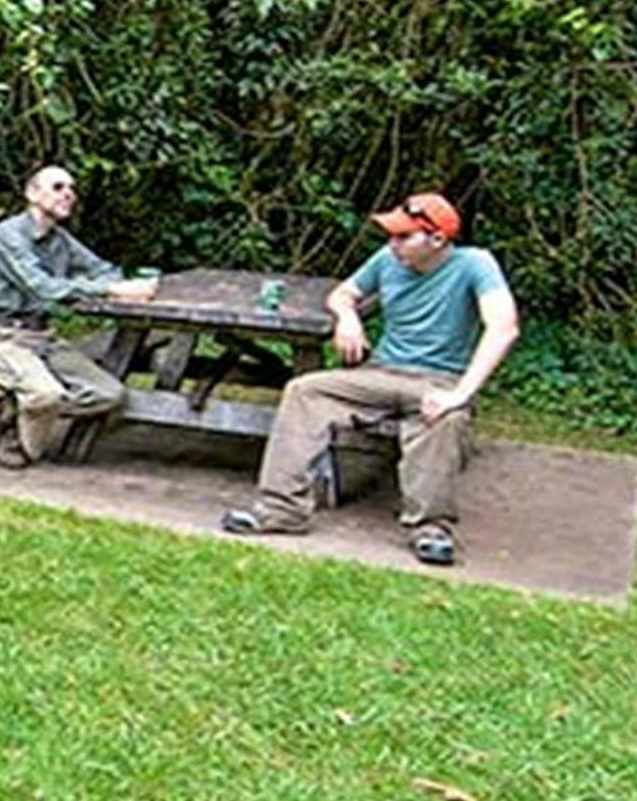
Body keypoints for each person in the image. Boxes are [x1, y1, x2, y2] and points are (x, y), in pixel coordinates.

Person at [221, 192, 519, 565]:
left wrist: (460, 393)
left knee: (446, 418)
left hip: (438, 380)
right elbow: (343, 293)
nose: (393, 244)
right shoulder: (387, 259)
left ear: (438, 239)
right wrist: (348, 316)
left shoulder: (475, 264)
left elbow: (503, 328)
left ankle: (431, 528)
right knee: (305, 391)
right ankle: (282, 509)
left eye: (404, 236)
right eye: (391, 235)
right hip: (380, 372)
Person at [0, 166, 158, 466]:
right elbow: (44, 287)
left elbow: (102, 269)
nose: (68, 193)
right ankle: (22, 447)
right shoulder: (9, 236)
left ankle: (8, 411)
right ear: (31, 194)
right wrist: (112, 289)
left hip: (40, 337)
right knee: (46, 394)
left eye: (71, 188)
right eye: (57, 187)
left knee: (109, 394)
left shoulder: (60, 239)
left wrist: (119, 283)